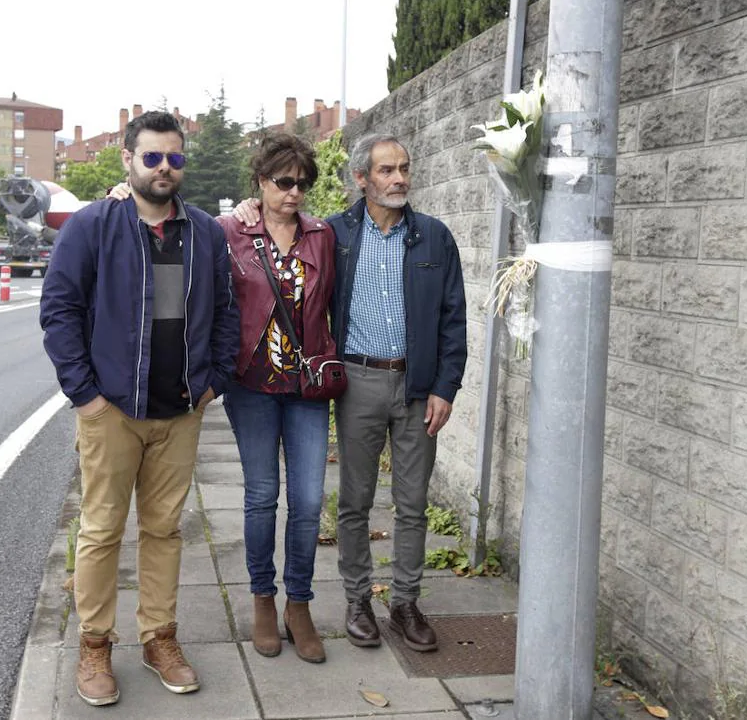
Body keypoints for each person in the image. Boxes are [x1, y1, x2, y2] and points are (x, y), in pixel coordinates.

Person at [233, 132, 466, 654]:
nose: (399, 178)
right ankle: (358, 600)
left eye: (404, 168)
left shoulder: (434, 237)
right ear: (361, 179)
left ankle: (405, 601)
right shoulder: (333, 234)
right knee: (354, 502)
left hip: (418, 386)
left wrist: (445, 387)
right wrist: (253, 204)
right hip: (356, 382)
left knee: (413, 502)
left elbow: (454, 317)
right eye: (386, 170)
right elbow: (274, 231)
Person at [111, 133, 337, 663]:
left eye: (303, 183)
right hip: (251, 385)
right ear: (260, 181)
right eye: (284, 182)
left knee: (307, 502)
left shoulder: (322, 235)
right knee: (262, 495)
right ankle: (263, 598)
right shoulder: (228, 230)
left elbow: (336, 301)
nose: (294, 193)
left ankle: (298, 603)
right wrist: (120, 193)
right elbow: (164, 224)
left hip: (306, 386)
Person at [40, 110, 240, 706]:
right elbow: (59, 310)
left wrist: (213, 382)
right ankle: (95, 647)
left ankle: (159, 639)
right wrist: (87, 397)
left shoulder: (204, 232)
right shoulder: (94, 226)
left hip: (180, 410)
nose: (163, 168)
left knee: (164, 530)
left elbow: (227, 313)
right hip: (113, 411)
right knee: (101, 530)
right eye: (152, 157)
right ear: (128, 160)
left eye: (174, 158)